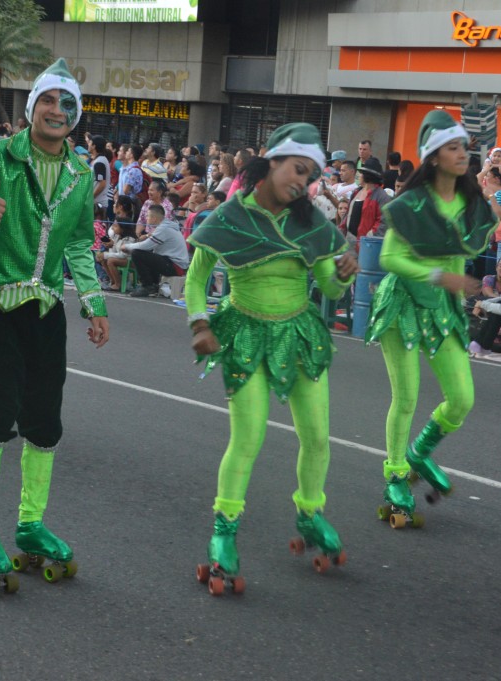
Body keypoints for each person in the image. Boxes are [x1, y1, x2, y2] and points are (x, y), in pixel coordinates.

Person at [0, 60, 109, 594]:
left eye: (68, 104)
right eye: (49, 101)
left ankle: (30, 526)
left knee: (45, 419)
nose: (58, 111)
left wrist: (95, 302)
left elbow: (80, 242)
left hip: (46, 306)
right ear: (32, 107)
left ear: (76, 115)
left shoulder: (81, 175)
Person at [185, 122, 358, 593]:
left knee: (318, 436)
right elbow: (197, 278)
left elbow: (328, 287)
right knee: (249, 438)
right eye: (298, 170)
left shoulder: (311, 223)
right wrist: (200, 323)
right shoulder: (225, 218)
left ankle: (309, 514)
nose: (302, 182)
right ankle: (223, 536)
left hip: (300, 333)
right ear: (271, 162)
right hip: (245, 335)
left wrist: (343, 273)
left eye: (311, 176)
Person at [364, 110, 497, 521]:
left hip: (443, 311)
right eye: (453, 148)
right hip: (403, 304)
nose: (462, 154)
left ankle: (419, 452)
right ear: (434, 157)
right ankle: (395, 473)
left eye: (463, 147)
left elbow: (478, 238)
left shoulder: (471, 201)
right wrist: (442, 276)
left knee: (462, 399)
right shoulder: (410, 204)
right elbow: (389, 257)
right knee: (405, 397)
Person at [122, 204, 189, 297]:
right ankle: (153, 285)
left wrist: (127, 246)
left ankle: (147, 286)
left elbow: (146, 245)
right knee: (147, 254)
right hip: (175, 264)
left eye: (147, 216)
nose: (146, 218)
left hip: (176, 266)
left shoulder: (164, 228)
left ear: (154, 218)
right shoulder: (165, 226)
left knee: (137, 253)